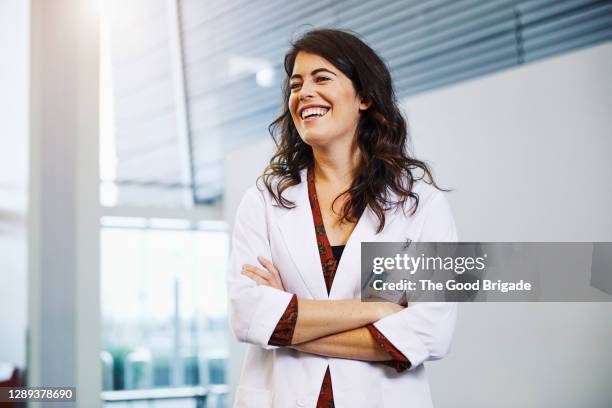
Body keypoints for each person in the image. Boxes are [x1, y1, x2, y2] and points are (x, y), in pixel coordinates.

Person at [227, 29, 457, 408]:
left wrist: (287, 318)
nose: (303, 94)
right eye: (296, 85)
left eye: (322, 78)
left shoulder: (422, 206)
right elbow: (248, 315)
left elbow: (432, 332)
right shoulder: (264, 202)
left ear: (364, 96)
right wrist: (375, 311)